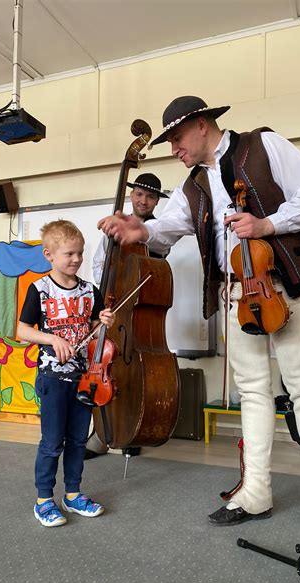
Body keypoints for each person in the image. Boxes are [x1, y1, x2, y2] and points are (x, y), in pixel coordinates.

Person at [98, 95, 300, 542]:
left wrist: (268, 225)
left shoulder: (263, 145)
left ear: (200, 125)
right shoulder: (191, 186)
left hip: (282, 285)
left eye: (176, 138)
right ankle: (256, 491)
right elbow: (166, 227)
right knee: (251, 392)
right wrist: (140, 230)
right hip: (236, 294)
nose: (173, 148)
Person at [17, 220, 115, 527]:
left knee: (77, 441)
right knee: (52, 442)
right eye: (69, 254)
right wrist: (52, 339)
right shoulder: (40, 289)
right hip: (52, 378)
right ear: (49, 254)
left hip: (85, 379)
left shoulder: (90, 291)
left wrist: (103, 321)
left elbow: (94, 331)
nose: (76, 259)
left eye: (80, 253)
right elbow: (21, 331)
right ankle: (44, 500)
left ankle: (72, 495)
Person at [85, 173, 169, 460]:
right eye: (139, 194)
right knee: (107, 366)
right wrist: (110, 285)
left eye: (150, 196)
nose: (143, 200)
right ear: (131, 196)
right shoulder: (114, 228)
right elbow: (99, 263)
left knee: (136, 374)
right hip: (114, 306)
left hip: (140, 312)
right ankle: (101, 433)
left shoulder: (160, 230)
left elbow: (155, 259)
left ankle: (132, 428)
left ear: (157, 200)